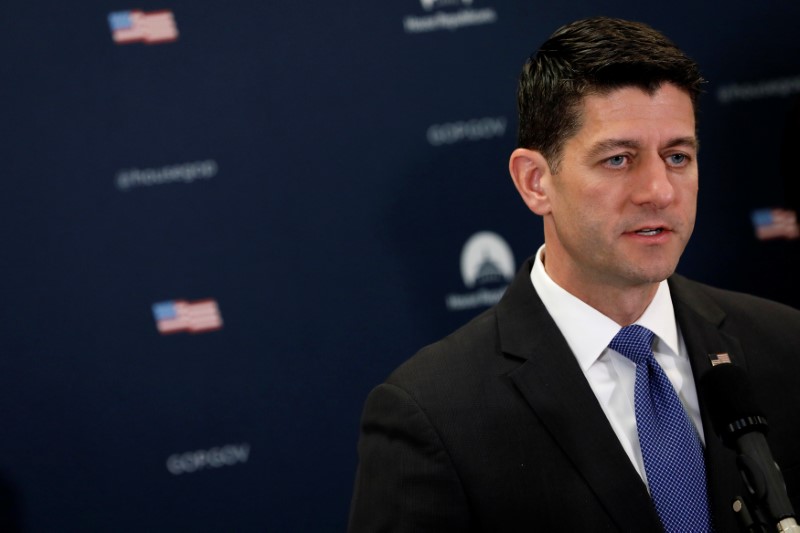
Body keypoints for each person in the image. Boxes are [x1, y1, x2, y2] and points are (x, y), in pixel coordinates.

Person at [348, 16, 800, 532]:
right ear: (536, 181)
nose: (660, 190)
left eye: (677, 156)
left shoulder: (784, 346)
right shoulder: (433, 414)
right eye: (617, 159)